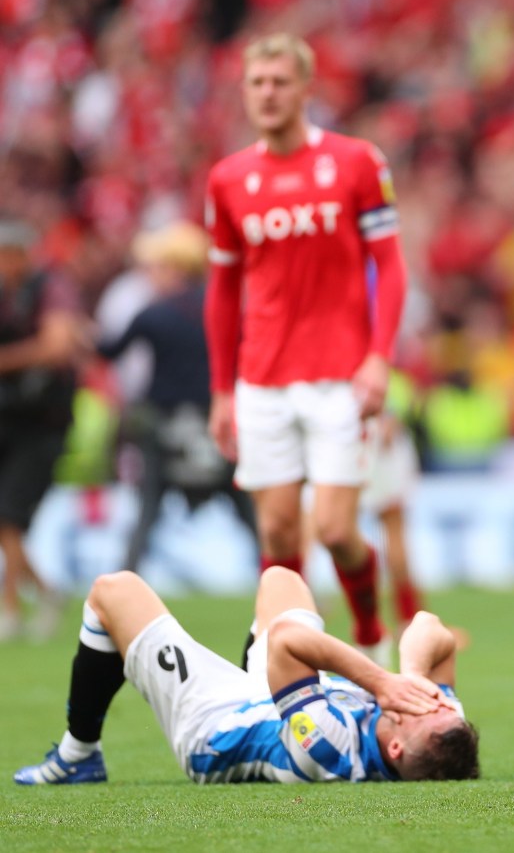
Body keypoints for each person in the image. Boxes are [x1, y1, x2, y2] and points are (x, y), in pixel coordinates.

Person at [204, 33, 407, 661]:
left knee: (336, 529)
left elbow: (391, 268)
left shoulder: (355, 162)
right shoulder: (228, 179)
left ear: (305, 89)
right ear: (244, 92)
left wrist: (379, 356)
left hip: (340, 375)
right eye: (257, 83)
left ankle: (371, 636)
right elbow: (222, 290)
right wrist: (220, 392)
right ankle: (286, 653)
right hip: (261, 378)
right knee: (277, 529)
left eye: (279, 82)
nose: (267, 93)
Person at [14, 566, 479, 785]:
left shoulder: (330, 749)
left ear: (394, 748)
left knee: (112, 591)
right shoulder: (440, 726)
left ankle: (78, 756)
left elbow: (285, 642)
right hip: (277, 699)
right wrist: (413, 674)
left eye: (429, 708)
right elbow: (429, 627)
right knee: (283, 579)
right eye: (441, 701)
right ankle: (285, 687)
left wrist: (381, 681)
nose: (434, 702)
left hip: (213, 723)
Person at [97, 221, 258, 572]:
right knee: (247, 510)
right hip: (219, 421)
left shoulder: (154, 313)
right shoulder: (227, 310)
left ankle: (124, 587)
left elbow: (108, 350)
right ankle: (284, 582)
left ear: (176, 267)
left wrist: (77, 335)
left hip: (164, 423)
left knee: (149, 509)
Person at [0, 217, 82, 641]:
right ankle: (47, 593)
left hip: (43, 422)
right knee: (4, 517)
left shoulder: (51, 288)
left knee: (10, 513)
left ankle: (9, 608)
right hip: (9, 418)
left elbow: (57, 346)